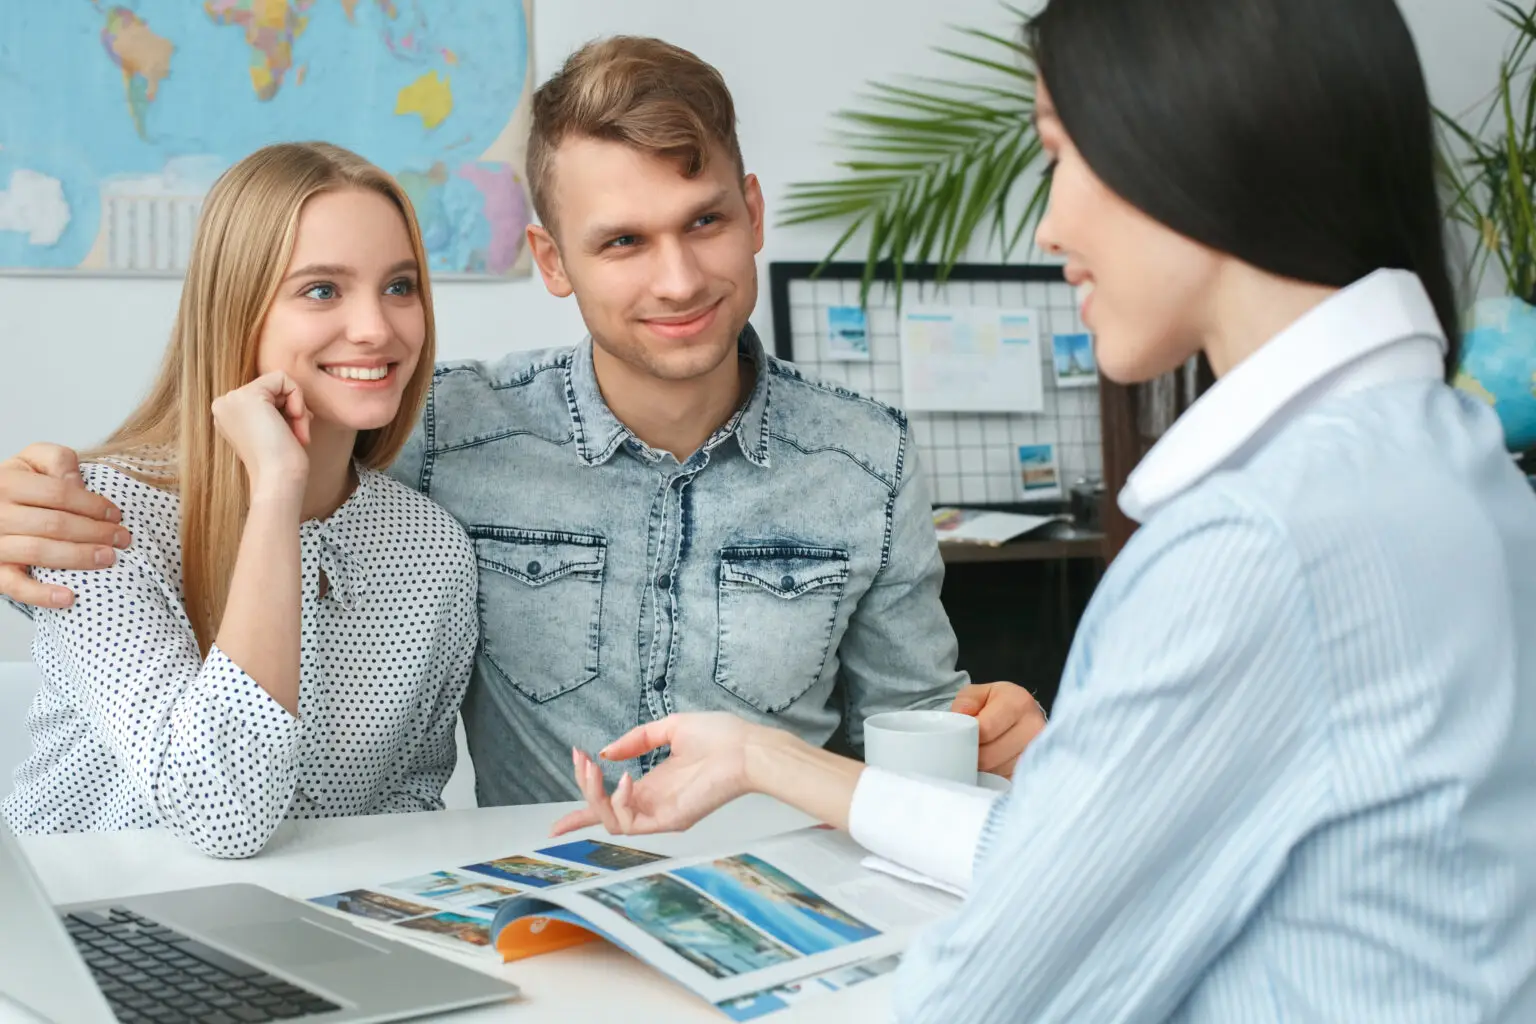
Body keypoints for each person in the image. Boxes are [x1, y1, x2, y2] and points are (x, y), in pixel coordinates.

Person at [550, 1, 1536, 1019]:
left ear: (1197, 145)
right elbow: (1075, 862)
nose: (1050, 225)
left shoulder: (1256, 545)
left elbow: (993, 994)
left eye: (1063, 155)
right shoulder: (1453, 461)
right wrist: (762, 754)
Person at [0, 37, 1045, 806]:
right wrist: (24, 511)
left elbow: (916, 729)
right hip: (544, 902)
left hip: (779, 895)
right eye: (623, 241)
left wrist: (992, 734)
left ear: (754, 213)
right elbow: (234, 470)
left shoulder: (869, 456)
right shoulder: (445, 429)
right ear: (552, 261)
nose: (680, 279)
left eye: (706, 222)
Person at [1, 142, 479, 859]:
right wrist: (277, 491)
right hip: (76, 911)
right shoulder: (98, 518)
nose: (377, 329)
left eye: (400, 286)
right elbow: (222, 813)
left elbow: (409, 800)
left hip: (310, 914)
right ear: (237, 309)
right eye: (322, 290)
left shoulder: (430, 545)